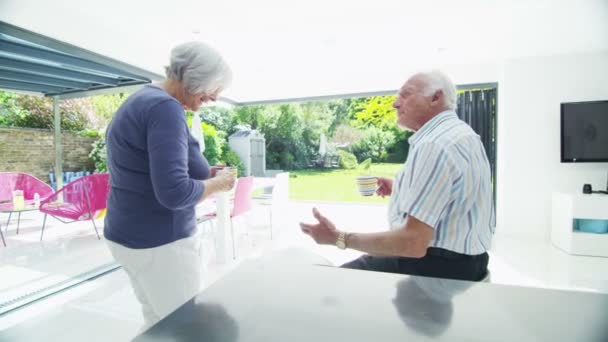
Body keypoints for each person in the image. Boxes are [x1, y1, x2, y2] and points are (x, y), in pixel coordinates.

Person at [300, 70, 494, 281]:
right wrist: (402, 189)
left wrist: (338, 238)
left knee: (330, 284)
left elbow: (413, 242)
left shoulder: (434, 144)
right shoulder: (464, 135)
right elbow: (458, 197)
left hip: (434, 268)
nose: (395, 103)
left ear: (435, 97)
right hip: (471, 264)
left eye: (405, 94)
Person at [104, 41, 235, 329]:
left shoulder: (142, 100)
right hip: (161, 244)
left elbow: (151, 170)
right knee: (186, 328)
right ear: (191, 75)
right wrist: (218, 183)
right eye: (213, 88)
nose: (213, 98)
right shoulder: (165, 109)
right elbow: (174, 193)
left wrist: (208, 174)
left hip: (129, 235)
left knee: (157, 323)